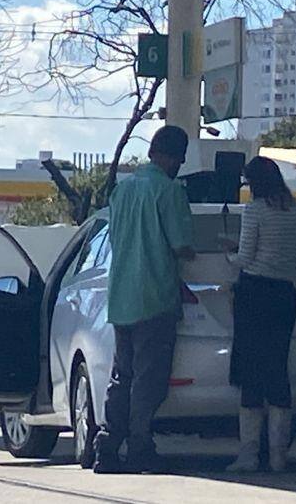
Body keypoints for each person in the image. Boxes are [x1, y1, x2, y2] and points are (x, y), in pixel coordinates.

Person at [92, 124, 195, 474]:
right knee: (148, 379)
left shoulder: (122, 190)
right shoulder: (168, 192)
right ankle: (139, 445)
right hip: (155, 297)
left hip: (121, 297)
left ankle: (107, 445)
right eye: (179, 159)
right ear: (170, 157)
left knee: (122, 374)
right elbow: (181, 245)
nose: (179, 165)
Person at [224, 156, 296, 473]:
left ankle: (248, 455)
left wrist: (229, 254)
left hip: (254, 295)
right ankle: (278, 456)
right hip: (283, 297)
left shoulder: (255, 210)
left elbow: (246, 257)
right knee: (277, 371)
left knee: (250, 373)